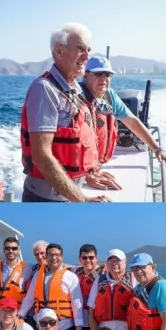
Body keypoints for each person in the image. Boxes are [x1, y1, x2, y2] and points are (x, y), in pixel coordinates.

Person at [19, 22, 109, 202]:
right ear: (59, 51)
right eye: (80, 49)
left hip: (69, 195)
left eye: (88, 50)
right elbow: (42, 157)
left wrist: (88, 173)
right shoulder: (44, 90)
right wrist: (82, 200)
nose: (87, 56)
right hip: (46, 202)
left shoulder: (74, 88)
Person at [79, 56, 166, 191]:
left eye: (108, 74)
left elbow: (132, 122)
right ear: (85, 76)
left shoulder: (109, 97)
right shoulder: (76, 97)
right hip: (73, 175)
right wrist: (85, 175)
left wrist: (156, 148)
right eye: (98, 73)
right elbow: (63, 144)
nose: (104, 78)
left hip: (94, 168)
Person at [19, 243, 85, 330]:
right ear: (46, 256)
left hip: (64, 327)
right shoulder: (38, 275)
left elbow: (77, 305)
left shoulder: (70, 277)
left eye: (57, 255)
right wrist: (20, 316)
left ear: (62, 257)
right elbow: (30, 298)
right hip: (42, 326)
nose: (54, 258)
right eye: (50, 255)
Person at [87, 249, 137, 330]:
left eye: (117, 260)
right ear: (106, 263)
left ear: (125, 262)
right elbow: (91, 311)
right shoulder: (99, 281)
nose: (114, 263)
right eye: (111, 260)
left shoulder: (133, 279)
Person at [73, 243, 102, 330]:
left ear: (97, 258)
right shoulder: (75, 273)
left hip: (96, 321)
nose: (88, 261)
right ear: (79, 259)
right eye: (84, 258)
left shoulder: (104, 275)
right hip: (79, 322)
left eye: (91, 258)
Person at [0, 236, 28, 307]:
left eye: (14, 248)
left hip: (17, 312)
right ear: (3, 250)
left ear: (19, 250)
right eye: (7, 248)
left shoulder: (27, 268)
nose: (10, 251)